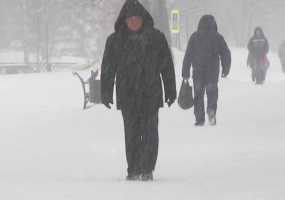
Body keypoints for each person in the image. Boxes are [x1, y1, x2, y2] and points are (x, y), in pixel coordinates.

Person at [100, 0, 176, 181]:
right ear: (124, 20)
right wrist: (105, 91)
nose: (134, 22)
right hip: (128, 95)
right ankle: (133, 168)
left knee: (150, 133)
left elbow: (167, 66)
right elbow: (108, 68)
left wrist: (171, 90)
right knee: (132, 133)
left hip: (151, 93)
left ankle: (148, 168)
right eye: (130, 19)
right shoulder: (115, 40)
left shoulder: (156, 38)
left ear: (143, 19)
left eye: (137, 19)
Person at [182, 15, 231, 126]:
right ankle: (211, 110)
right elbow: (226, 53)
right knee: (212, 92)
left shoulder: (194, 37)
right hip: (212, 72)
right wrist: (226, 67)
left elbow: (188, 55)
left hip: (198, 71)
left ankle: (199, 119)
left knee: (198, 94)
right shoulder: (217, 37)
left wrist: (185, 73)